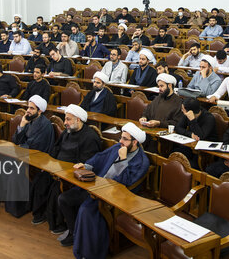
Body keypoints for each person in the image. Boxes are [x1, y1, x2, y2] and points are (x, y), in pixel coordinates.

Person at [58, 122, 149, 253]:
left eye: (125, 139)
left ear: (135, 142)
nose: (121, 141)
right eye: (121, 137)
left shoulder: (141, 161)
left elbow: (126, 183)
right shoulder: (118, 146)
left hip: (115, 195)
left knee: (85, 209)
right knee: (64, 199)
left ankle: (87, 251)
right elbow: (99, 158)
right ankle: (74, 234)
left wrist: (123, 160)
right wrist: (86, 166)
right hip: (97, 185)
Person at [28, 104, 102, 233]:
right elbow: (56, 148)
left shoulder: (90, 137)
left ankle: (57, 223)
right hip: (57, 168)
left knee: (56, 188)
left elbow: (86, 163)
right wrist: (48, 164)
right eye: (65, 119)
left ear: (78, 120)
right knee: (40, 179)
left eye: (68, 119)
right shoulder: (68, 131)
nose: (65, 123)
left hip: (70, 174)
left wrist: (61, 171)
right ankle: (40, 214)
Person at [173, 98, 218, 167]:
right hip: (192, 145)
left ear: (190, 111)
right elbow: (178, 127)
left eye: (183, 109)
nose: (182, 111)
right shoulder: (187, 115)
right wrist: (190, 134)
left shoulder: (209, 118)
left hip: (205, 150)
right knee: (175, 155)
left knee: (191, 164)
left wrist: (193, 120)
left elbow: (201, 136)